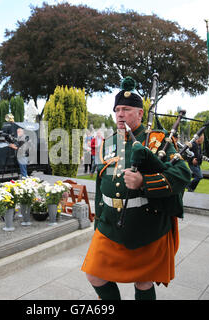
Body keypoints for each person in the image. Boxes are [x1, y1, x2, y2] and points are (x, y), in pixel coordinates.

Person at [81, 77, 191, 300]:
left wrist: (144, 182)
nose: (120, 114)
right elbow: (101, 185)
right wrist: (98, 221)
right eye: (117, 110)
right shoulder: (109, 142)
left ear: (140, 114)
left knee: (143, 281)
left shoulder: (158, 140)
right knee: (94, 275)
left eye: (127, 109)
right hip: (110, 225)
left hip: (146, 225)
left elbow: (183, 174)